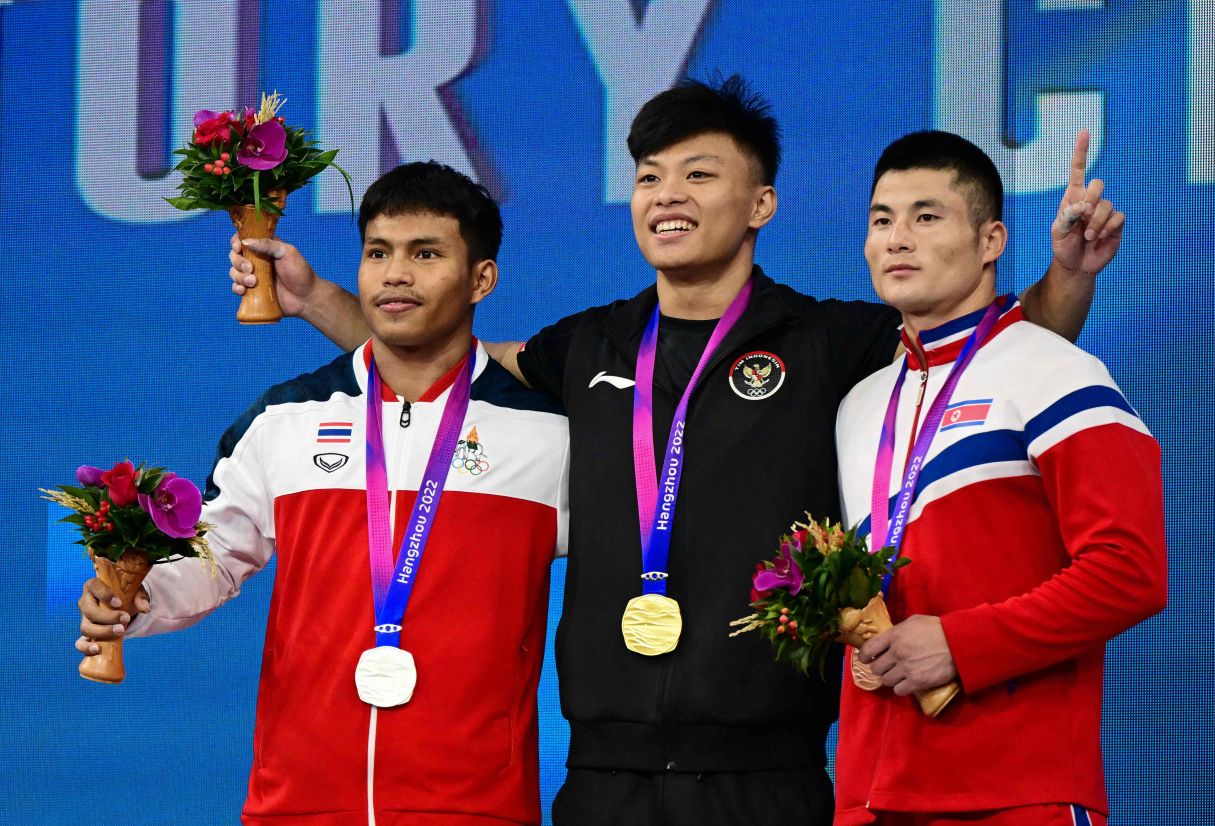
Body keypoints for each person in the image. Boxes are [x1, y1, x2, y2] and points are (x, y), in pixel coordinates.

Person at [226, 77, 1120, 825]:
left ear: (761, 202)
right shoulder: (591, 345)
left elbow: (991, 354)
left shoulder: (827, 342)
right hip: (602, 779)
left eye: (700, 174)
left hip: (768, 777)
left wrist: (1069, 277)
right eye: (651, 177)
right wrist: (317, 299)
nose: (667, 196)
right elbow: (432, 352)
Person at [77, 161, 570, 826]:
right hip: (296, 805)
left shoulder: (548, 432)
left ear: (481, 276)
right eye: (378, 253)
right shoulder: (285, 417)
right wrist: (137, 597)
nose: (396, 274)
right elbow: (215, 555)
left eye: (426, 254)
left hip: (474, 807)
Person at [833, 130, 1166, 825]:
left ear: (991, 241)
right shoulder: (860, 406)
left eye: (927, 217)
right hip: (872, 797)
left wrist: (960, 645)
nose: (898, 239)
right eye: (881, 220)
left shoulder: (1055, 371)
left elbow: (1130, 571)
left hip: (1016, 795)